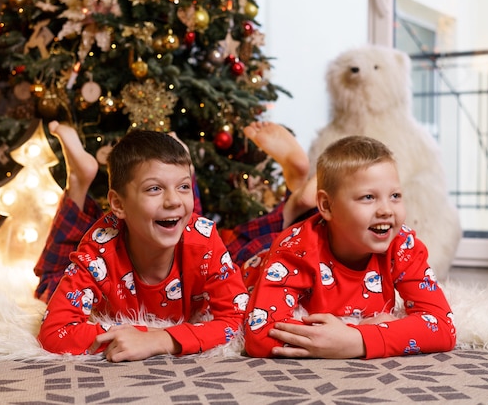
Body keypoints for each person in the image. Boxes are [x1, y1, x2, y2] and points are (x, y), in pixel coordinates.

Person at [35, 120, 314, 361]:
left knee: (213, 237)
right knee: (49, 281)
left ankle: (287, 205)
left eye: (183, 186)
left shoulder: (202, 238)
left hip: (190, 245)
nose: (172, 200)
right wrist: (135, 335)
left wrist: (162, 339)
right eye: (154, 188)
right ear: (117, 204)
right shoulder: (99, 250)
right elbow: (54, 332)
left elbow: (237, 320)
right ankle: (78, 182)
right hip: (116, 253)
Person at [243, 135, 456, 359]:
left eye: (395, 196)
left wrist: (357, 339)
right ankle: (293, 202)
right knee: (247, 240)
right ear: (326, 205)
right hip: (254, 262)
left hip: (333, 228)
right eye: (368, 197)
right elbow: (258, 336)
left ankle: (297, 201)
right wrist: (355, 337)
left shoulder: (402, 244)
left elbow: (443, 326)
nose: (387, 210)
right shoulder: (294, 251)